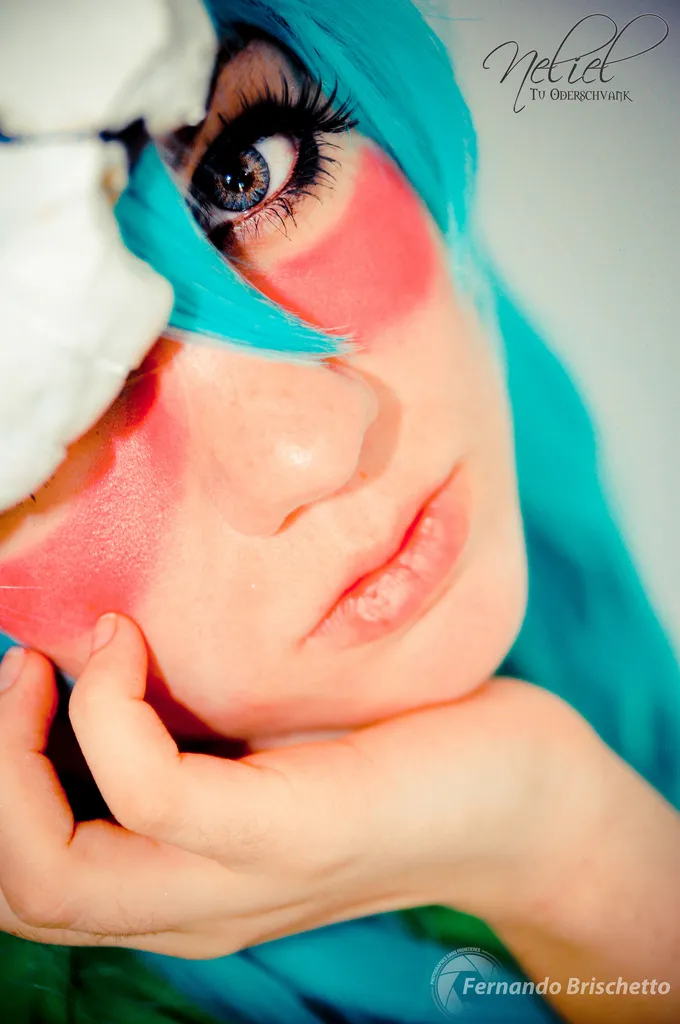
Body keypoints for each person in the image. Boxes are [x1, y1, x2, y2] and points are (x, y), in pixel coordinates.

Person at [1, 1, 679, 1022]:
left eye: (246, 171)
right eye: (50, 416)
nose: (315, 444)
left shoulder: (544, 463)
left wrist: (556, 841)